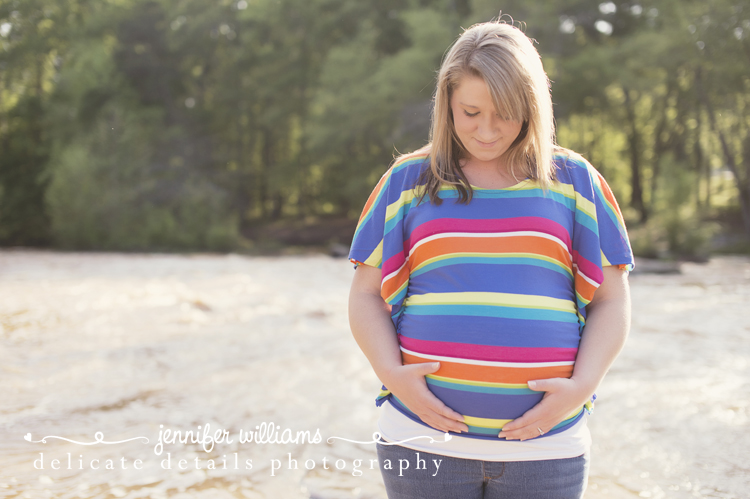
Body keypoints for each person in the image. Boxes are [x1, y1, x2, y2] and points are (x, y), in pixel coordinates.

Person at [347, 18, 634, 499]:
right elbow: (365, 296)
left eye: (504, 113)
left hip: (547, 448)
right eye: (470, 112)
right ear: (447, 104)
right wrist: (392, 374)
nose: (486, 130)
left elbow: (611, 299)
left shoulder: (576, 181)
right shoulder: (407, 181)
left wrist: (583, 385)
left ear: (532, 106)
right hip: (420, 441)